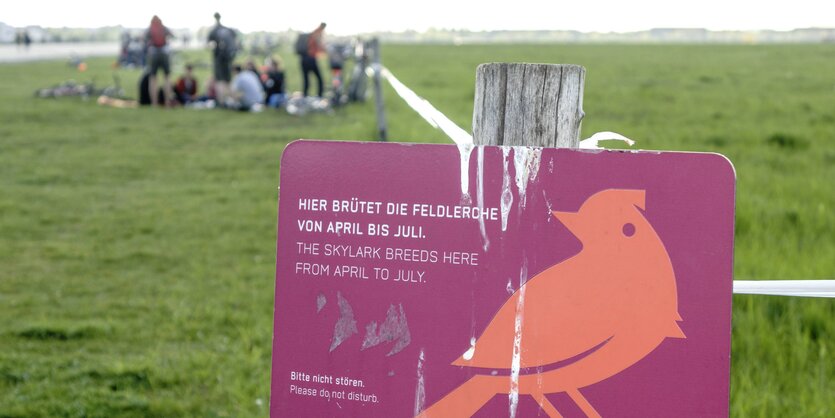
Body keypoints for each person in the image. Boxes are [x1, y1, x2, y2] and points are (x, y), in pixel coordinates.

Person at [207, 12, 237, 103]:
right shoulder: (228, 29)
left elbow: (209, 44)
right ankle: (231, 100)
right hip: (228, 58)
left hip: (219, 58)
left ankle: (222, 101)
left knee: (219, 80)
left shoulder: (214, 30)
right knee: (228, 79)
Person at [144, 15, 174, 106]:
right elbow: (172, 35)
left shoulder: (150, 29)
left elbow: (144, 38)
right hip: (165, 53)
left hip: (153, 53)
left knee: (153, 78)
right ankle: (167, 102)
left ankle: (154, 103)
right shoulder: (164, 28)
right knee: (167, 78)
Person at [296, 23, 326, 97]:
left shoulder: (310, 34)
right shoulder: (317, 33)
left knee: (306, 79)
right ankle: (320, 95)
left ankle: (305, 95)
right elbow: (320, 47)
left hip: (303, 59)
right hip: (311, 59)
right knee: (319, 79)